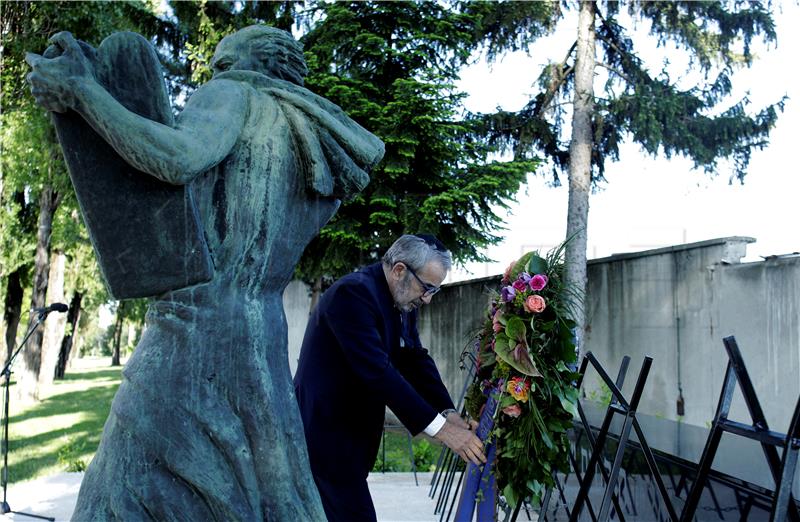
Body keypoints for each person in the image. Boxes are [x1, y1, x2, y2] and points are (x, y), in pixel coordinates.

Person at [27, 26, 383, 520]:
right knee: (267, 492)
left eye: (220, 63)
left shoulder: (233, 93)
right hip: (259, 336)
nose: (214, 73)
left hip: (189, 327)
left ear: (243, 62)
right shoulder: (316, 137)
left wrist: (82, 93)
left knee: (122, 489)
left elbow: (176, 158)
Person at [294, 234, 487, 521]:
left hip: (352, 439)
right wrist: (445, 432)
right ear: (399, 270)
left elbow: (414, 359)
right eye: (427, 288)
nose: (428, 299)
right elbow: (378, 372)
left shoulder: (401, 300)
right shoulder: (353, 294)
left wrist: (449, 414)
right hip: (325, 437)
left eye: (434, 291)